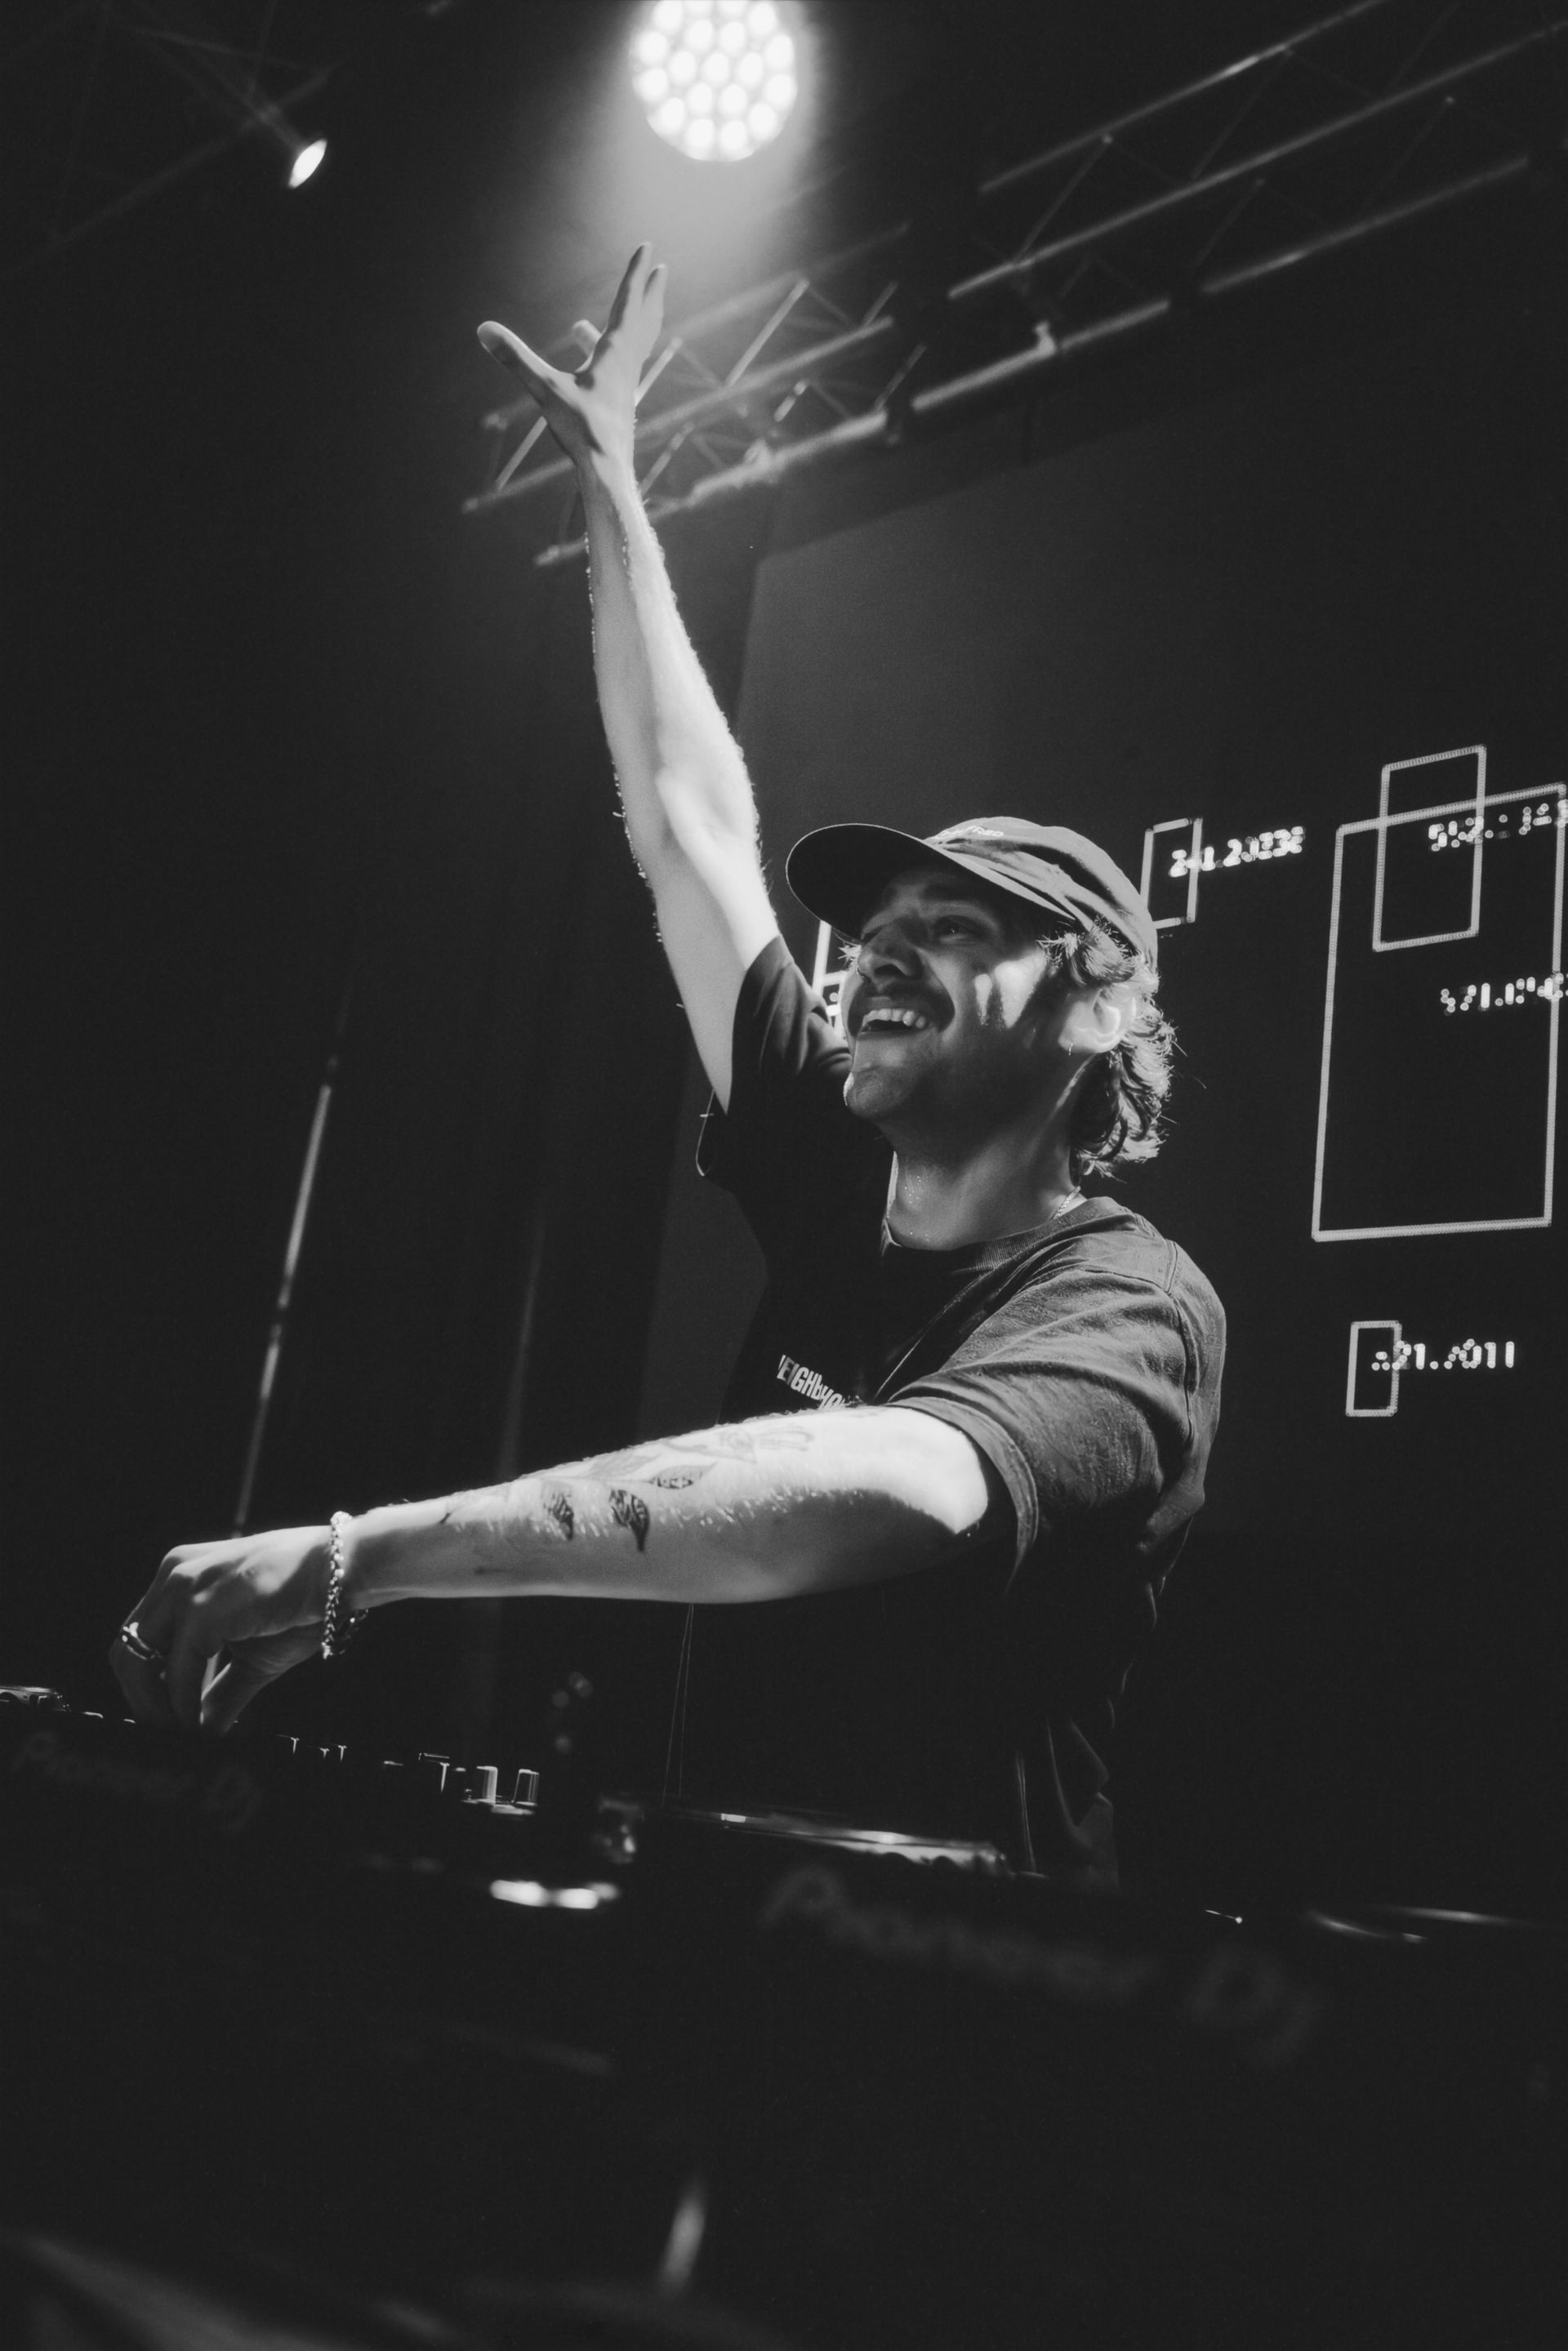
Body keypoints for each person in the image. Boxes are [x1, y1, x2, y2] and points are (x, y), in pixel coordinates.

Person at [113, 247, 1223, 1880]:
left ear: (1098, 1012)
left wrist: (364, 1557)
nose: (877, 955)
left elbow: (895, 1481)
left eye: (954, 928)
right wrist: (614, 474)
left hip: (965, 1981)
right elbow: (688, 817)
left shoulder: (1132, 1303)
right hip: (725, 1926)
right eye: (873, 929)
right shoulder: (840, 1146)